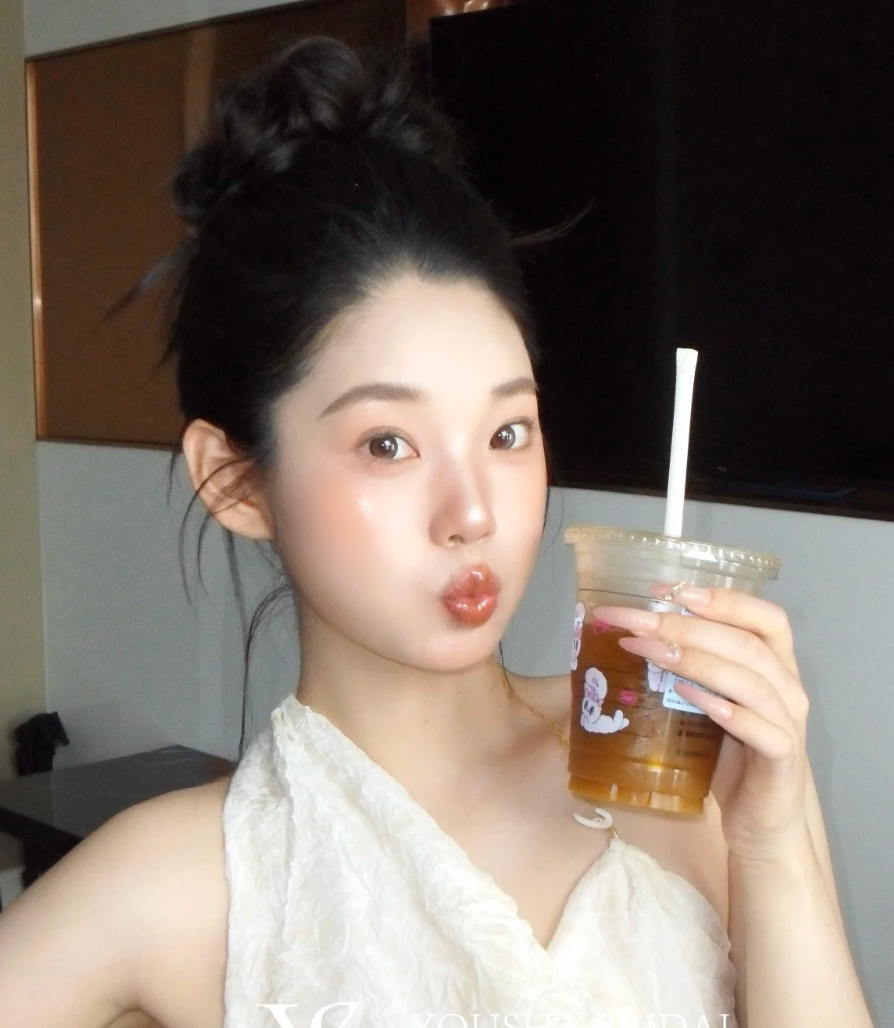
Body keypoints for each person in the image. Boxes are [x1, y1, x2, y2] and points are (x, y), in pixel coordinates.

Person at [0, 35, 875, 1028]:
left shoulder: (676, 759)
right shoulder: (177, 886)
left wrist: (775, 843)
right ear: (234, 480)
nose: (474, 512)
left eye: (507, 432)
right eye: (388, 443)